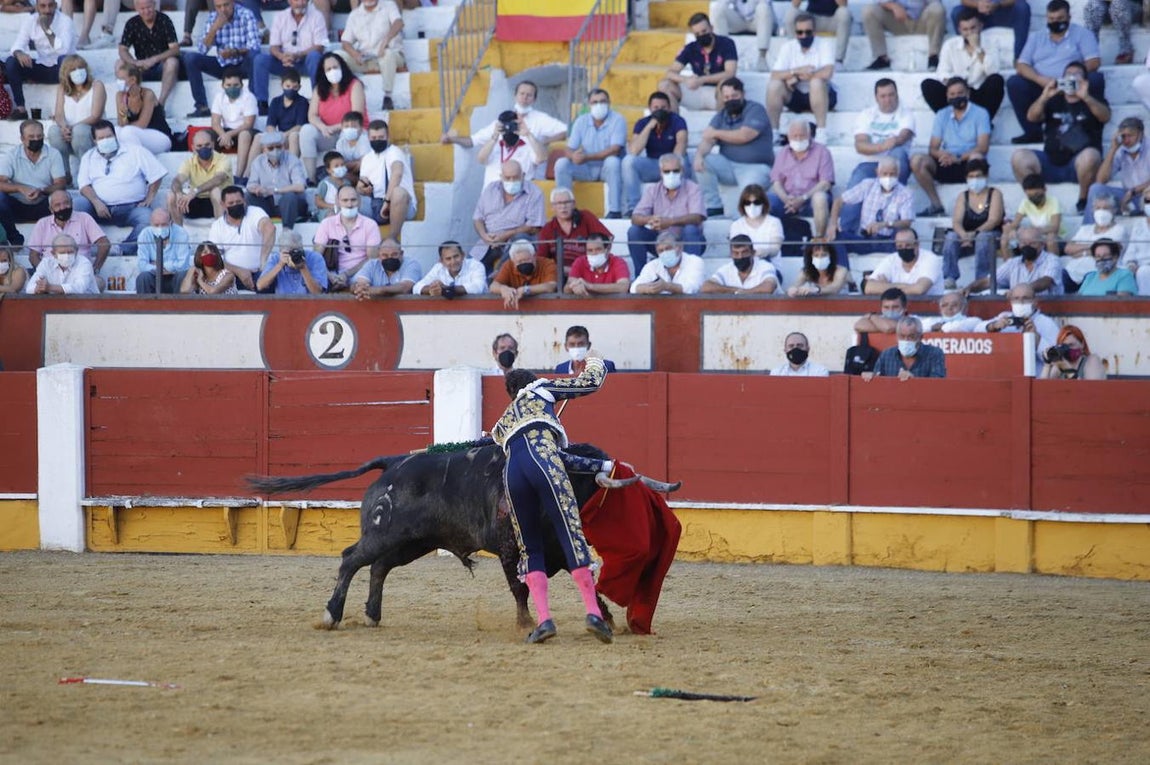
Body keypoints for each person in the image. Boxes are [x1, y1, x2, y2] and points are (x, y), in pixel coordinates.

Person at [491, 360, 617, 644]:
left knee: (530, 547)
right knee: (570, 536)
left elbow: (491, 445)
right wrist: (596, 360)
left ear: (511, 393)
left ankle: (545, 620)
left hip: (512, 476)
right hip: (544, 461)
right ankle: (594, 613)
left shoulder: (505, 420)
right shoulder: (542, 389)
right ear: (533, 380)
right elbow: (591, 382)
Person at [1010, 61, 1108, 215]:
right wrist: (1044, 96)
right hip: (1050, 161)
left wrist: (1086, 96)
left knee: (1091, 155)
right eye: (1068, 75)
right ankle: (1037, 199)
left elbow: (1105, 116)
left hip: (1079, 165)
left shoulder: (1093, 99)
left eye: (1076, 75)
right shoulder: (1053, 100)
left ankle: (1083, 200)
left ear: (1085, 80)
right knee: (1019, 157)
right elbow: (1032, 117)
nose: (1071, 78)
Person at [1007, 0, 1103, 145]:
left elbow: (1094, 62)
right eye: (1051, 19)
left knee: (1096, 79)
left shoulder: (1082, 34)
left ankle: (1090, 127)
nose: (1055, 22)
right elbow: (1022, 65)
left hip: (1073, 85)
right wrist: (1040, 79)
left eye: (1060, 19)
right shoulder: (1036, 37)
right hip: (1043, 85)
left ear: (1069, 17)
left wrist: (1072, 78)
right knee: (1015, 83)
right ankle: (1033, 132)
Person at [77, 120, 166, 256]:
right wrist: (96, 202)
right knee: (77, 205)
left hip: (132, 208)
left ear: (115, 135)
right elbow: (83, 185)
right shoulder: (88, 157)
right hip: (100, 208)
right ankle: (81, 250)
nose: (106, 140)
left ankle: (123, 249)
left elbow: (157, 174)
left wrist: (150, 196)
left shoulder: (135, 151)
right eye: (101, 138)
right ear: (94, 140)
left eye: (109, 136)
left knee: (149, 219)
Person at [910, 77, 991, 217]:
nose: (956, 97)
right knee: (917, 161)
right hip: (946, 161)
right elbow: (933, 148)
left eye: (960, 93)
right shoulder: (942, 114)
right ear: (947, 96)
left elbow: (983, 147)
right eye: (952, 94)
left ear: (968, 93)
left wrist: (958, 158)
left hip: (967, 161)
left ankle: (976, 207)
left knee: (977, 158)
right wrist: (944, 155)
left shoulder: (981, 113)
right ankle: (936, 205)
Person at [694, 77, 773, 219]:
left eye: (734, 96)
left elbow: (745, 135)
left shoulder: (755, 109)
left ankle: (742, 228)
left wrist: (716, 133)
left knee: (748, 200)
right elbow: (707, 139)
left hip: (756, 167)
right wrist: (699, 155)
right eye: (727, 97)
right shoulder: (721, 115)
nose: (731, 100)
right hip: (729, 166)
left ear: (743, 94)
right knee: (702, 161)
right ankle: (714, 207)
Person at [441, 81, 567, 160]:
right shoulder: (502, 121)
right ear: (515, 96)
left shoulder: (541, 119)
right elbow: (472, 141)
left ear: (534, 99)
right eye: (522, 93)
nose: (525, 98)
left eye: (529, 95)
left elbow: (566, 131)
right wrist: (451, 139)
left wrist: (543, 141)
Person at [627, 153, 705, 276]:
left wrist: (669, 221)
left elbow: (697, 217)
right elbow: (635, 217)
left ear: (682, 171)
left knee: (691, 229)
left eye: (675, 171)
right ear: (660, 172)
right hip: (661, 241)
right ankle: (641, 276)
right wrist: (650, 219)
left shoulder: (693, 188)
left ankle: (691, 275)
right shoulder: (653, 190)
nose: (671, 175)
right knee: (634, 231)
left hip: (685, 241)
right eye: (667, 171)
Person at [826, 156, 913, 266]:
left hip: (889, 241)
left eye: (892, 174)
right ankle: (844, 274)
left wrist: (885, 224)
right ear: (877, 172)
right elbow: (838, 201)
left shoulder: (905, 193)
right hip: (865, 239)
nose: (888, 177)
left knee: (906, 240)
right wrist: (833, 224)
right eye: (885, 174)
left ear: (898, 173)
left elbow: (907, 222)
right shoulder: (868, 185)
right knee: (836, 238)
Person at [554, 89, 626, 219]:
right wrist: (573, 156)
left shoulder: (618, 119)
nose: (599, 105)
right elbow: (568, 149)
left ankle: (615, 211)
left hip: (606, 168)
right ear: (589, 104)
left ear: (609, 103)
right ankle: (563, 207)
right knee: (562, 163)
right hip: (585, 168)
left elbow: (615, 149)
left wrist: (586, 157)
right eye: (595, 102)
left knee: (613, 161)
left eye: (603, 101)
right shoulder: (581, 120)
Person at [182, 0, 261, 119]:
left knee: (255, 57)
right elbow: (202, 49)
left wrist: (234, 52)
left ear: (233, 3)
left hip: (242, 64)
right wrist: (214, 29)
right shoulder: (213, 17)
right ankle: (201, 106)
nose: (223, 10)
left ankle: (254, 103)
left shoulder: (246, 14)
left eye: (226, 5)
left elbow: (255, 46)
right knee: (190, 58)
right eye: (219, 6)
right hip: (223, 64)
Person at [922, 9, 1004, 118]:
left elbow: (993, 71)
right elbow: (942, 73)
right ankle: (951, 122)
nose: (969, 33)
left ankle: (984, 122)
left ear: (980, 26)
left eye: (973, 28)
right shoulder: (950, 45)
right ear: (960, 30)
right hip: (957, 93)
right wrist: (960, 87)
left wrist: (977, 48)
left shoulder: (990, 44)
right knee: (928, 85)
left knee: (996, 81)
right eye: (965, 29)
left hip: (978, 93)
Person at [5, 0, 76, 122]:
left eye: (50, 6)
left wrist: (47, 29)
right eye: (43, 6)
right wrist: (19, 53)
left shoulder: (65, 21)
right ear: (37, 7)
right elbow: (17, 46)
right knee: (11, 61)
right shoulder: (30, 21)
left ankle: (66, 110)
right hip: (42, 65)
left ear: (56, 5)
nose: (47, 10)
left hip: (62, 69)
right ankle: (21, 108)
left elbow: (64, 50)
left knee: (64, 60)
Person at [300, 53, 367, 183]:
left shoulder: (354, 84)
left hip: (352, 131)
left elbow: (357, 114)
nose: (333, 71)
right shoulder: (319, 89)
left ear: (342, 67)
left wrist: (336, 127)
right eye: (328, 69)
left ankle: (349, 177)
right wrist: (322, 127)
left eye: (335, 67)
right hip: (328, 134)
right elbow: (312, 115)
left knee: (348, 132)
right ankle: (312, 179)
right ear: (323, 72)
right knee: (306, 131)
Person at [0, 119, 67, 247]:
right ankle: (14, 239)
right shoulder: (11, 155)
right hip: (17, 205)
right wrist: (20, 188)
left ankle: (60, 241)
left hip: (44, 203)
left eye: (39, 136)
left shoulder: (53, 154)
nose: (36, 139)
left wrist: (42, 190)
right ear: (22, 138)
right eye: (31, 137)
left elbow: (61, 183)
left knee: (62, 197)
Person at [253, 0, 326, 115]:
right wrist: (281, 56)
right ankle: (262, 104)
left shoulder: (317, 16)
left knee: (315, 56)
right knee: (260, 60)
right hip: (284, 62)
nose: (300, 3)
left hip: (305, 62)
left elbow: (319, 46)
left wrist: (298, 55)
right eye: (296, 0)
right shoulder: (280, 17)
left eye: (303, 0)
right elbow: (273, 47)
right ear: (289, 1)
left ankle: (318, 101)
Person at [766, 13, 836, 131]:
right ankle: (774, 132)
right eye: (800, 32)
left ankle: (821, 131)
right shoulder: (788, 47)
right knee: (774, 86)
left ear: (814, 31)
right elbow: (775, 75)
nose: (804, 35)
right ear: (795, 33)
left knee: (816, 82)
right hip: (796, 94)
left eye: (808, 32)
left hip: (823, 95)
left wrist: (799, 77)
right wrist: (796, 72)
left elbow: (828, 72)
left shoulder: (824, 44)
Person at [470, 160, 545, 271]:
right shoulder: (491, 189)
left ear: (523, 175)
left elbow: (533, 226)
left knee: (520, 241)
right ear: (501, 176)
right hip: (489, 240)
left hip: (515, 240)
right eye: (508, 178)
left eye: (515, 177)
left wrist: (504, 236)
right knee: (468, 268)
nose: (511, 181)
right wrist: (484, 236)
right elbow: (478, 218)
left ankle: (498, 276)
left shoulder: (534, 192)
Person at [940, 158, 1003, 290]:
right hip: (966, 236)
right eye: (971, 176)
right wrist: (964, 235)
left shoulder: (995, 193)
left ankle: (981, 280)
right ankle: (949, 277)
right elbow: (956, 221)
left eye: (978, 176)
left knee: (983, 237)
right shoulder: (963, 196)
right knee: (951, 237)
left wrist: (973, 234)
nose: (974, 179)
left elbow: (994, 220)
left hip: (990, 234)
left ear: (986, 176)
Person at [622, 91, 689, 216]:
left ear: (669, 108)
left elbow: (681, 143)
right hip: (652, 165)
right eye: (656, 108)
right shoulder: (643, 123)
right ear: (650, 109)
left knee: (683, 159)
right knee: (628, 161)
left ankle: (683, 205)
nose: (660, 110)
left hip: (672, 165)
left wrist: (670, 165)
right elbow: (634, 150)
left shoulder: (678, 121)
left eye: (663, 107)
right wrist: (650, 126)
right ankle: (634, 208)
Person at [657, 12, 738, 111]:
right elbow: (670, 72)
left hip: (717, 93)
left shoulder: (726, 43)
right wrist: (685, 80)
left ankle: (721, 123)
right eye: (697, 34)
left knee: (726, 84)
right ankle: (675, 123)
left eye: (704, 31)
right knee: (665, 85)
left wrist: (702, 79)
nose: (701, 35)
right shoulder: (691, 48)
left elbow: (730, 73)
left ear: (711, 28)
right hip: (695, 90)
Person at [767, 120, 833, 238]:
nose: (798, 139)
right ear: (788, 137)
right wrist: (786, 199)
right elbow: (776, 181)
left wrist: (803, 198)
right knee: (765, 200)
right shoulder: (783, 153)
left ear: (809, 135)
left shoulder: (822, 152)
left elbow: (825, 183)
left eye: (801, 135)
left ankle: (819, 239)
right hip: (788, 200)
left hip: (810, 200)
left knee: (820, 198)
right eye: (794, 136)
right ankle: (769, 240)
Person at [978, 283, 1060, 373]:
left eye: (1025, 298)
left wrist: (1036, 339)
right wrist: (993, 326)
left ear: (1035, 301)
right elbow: (976, 329)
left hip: (1035, 380)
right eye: (1016, 299)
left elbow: (1057, 360)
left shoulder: (1046, 323)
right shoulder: (1005, 317)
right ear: (1011, 302)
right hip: (1006, 377)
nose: (1021, 302)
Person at [355, 119, 416, 241]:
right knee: (347, 196)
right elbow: (360, 184)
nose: (377, 140)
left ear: (387, 136)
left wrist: (387, 202)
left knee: (398, 193)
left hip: (398, 205)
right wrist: (362, 188)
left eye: (381, 137)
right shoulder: (367, 158)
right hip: (374, 203)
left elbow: (397, 173)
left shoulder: (394, 152)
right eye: (374, 137)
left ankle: (392, 238)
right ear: (369, 138)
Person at [337, 0, 403, 112]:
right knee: (337, 56)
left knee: (388, 54)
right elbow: (345, 42)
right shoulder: (355, 14)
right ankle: (342, 93)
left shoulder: (388, 5)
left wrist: (386, 41)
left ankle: (388, 96)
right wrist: (355, 54)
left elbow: (399, 23)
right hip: (366, 59)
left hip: (389, 55)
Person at [207, 184, 276, 289]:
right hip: (231, 275)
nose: (235, 205)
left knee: (269, 279)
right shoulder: (217, 226)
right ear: (223, 205)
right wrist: (239, 271)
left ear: (244, 201)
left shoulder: (255, 212)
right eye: (231, 203)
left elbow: (269, 229)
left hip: (259, 272)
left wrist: (263, 263)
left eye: (239, 202)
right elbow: (214, 259)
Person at [50, 55, 105, 183]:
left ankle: (87, 176)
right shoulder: (63, 88)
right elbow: (59, 114)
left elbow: (96, 115)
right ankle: (64, 176)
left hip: (89, 133)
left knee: (80, 131)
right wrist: (64, 127)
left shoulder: (97, 85)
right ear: (66, 73)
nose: (78, 71)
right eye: (73, 69)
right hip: (68, 135)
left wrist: (72, 128)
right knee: (54, 131)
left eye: (80, 68)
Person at [313, 184, 380, 290]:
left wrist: (346, 274)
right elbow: (316, 256)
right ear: (337, 202)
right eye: (345, 200)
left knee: (363, 282)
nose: (349, 204)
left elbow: (371, 258)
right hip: (331, 272)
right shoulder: (326, 223)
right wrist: (330, 276)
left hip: (360, 273)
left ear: (359, 201)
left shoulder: (370, 225)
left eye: (353, 200)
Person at [27, 189, 111, 271]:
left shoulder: (84, 218)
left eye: (66, 203)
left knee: (99, 283)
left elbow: (104, 244)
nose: (63, 207)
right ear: (51, 209)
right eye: (57, 205)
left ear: (72, 203)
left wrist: (94, 269)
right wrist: (45, 273)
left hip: (80, 272)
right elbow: (33, 256)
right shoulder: (42, 223)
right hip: (51, 273)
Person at [851, 78, 914, 187]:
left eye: (891, 95)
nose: (888, 100)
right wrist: (882, 146)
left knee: (898, 152)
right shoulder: (866, 114)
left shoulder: (906, 114)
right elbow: (860, 146)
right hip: (871, 163)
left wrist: (894, 141)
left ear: (897, 95)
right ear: (876, 98)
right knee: (855, 187)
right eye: (883, 96)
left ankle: (896, 197)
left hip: (894, 164)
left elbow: (903, 136)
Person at [118, 0, 181, 107]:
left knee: (172, 62)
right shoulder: (132, 23)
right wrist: (135, 62)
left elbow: (175, 49)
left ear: (154, 5)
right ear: (137, 8)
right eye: (142, 9)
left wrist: (155, 59)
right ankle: (129, 104)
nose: (146, 11)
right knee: (119, 64)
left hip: (161, 65)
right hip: (141, 67)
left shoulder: (164, 20)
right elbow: (122, 49)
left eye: (149, 7)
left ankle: (161, 104)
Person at [967, 225, 1064, 295]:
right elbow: (988, 281)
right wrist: (969, 288)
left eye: (1032, 243)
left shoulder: (1052, 260)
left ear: (1042, 245)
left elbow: (1046, 281)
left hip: (1049, 310)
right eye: (1023, 243)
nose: (1027, 246)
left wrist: (1021, 291)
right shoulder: (1013, 263)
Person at [1086, 117, 1150, 222]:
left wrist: (1133, 191)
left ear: (1141, 134)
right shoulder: (1120, 150)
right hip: (1128, 197)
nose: (1126, 140)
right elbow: (1101, 180)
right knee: (1096, 188)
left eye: (1130, 136)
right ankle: (1088, 232)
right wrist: (1112, 149)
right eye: (1123, 136)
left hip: (1146, 194)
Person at [168, 128, 232, 225]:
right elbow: (177, 180)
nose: (204, 148)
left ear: (213, 144)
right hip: (197, 201)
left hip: (221, 203)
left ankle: (221, 232)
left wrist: (195, 191)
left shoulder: (223, 159)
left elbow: (218, 179)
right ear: (193, 148)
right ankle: (179, 235)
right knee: (171, 195)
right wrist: (178, 192)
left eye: (207, 145)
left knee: (215, 191)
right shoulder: (189, 163)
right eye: (199, 146)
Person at [1063, 193, 1127, 288]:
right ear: (1093, 210)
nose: (1101, 211)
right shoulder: (1085, 229)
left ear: (1114, 210)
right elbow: (1068, 249)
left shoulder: (1119, 229)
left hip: (1098, 274)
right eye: (1098, 208)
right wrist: (1094, 246)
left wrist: (1081, 252)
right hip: (1072, 273)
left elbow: (1109, 250)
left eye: (1106, 208)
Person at [245, 131, 308, 229]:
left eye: (279, 147)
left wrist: (274, 190)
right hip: (267, 203)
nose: (275, 151)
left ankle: (287, 231)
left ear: (284, 146)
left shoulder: (292, 159)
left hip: (289, 204)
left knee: (289, 196)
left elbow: (300, 186)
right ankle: (253, 227)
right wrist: (257, 189)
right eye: (270, 148)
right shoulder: (258, 161)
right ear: (263, 149)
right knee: (248, 196)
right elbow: (250, 185)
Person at [861, 0, 945, 71]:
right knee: (869, 11)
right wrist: (893, 6)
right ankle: (882, 58)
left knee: (937, 8)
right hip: (898, 21)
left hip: (922, 20)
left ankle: (933, 57)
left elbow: (935, 2)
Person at [535, 187, 612, 266]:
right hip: (559, 274)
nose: (563, 206)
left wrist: (599, 260)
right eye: (559, 203)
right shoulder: (547, 229)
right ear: (552, 207)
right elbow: (541, 259)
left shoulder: (586, 217)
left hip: (587, 270)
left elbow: (608, 239)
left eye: (567, 202)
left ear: (574, 204)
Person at [112, 61, 173, 156]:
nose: (118, 82)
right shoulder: (120, 96)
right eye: (117, 78)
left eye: (122, 79)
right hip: (137, 136)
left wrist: (126, 125)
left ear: (132, 80)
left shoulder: (148, 94)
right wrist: (123, 114)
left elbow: (142, 124)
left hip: (159, 136)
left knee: (127, 132)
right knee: (116, 130)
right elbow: (121, 124)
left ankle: (138, 162)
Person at [474, 110, 547, 187]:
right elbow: (481, 159)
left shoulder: (529, 146)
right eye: (505, 126)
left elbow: (542, 158)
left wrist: (528, 134)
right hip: (493, 195)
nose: (509, 129)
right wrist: (494, 137)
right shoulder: (493, 146)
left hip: (520, 195)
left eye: (512, 125)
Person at [209, 68, 258, 180]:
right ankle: (208, 174)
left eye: (236, 85)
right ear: (222, 86)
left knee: (244, 134)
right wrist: (223, 135)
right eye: (228, 85)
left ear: (242, 85)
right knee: (206, 136)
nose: (232, 88)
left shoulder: (249, 97)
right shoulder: (219, 97)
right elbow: (215, 123)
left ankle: (239, 175)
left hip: (246, 132)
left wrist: (229, 134)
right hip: (226, 132)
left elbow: (248, 124)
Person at [864, 228, 944, 296]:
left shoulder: (931, 259)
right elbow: (868, 288)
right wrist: (908, 287)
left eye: (908, 245)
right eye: (900, 246)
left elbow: (919, 290)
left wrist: (886, 286)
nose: (904, 249)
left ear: (917, 245)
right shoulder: (891, 260)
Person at [863, 316, 947, 380]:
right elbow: (878, 381)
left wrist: (914, 380)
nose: (906, 340)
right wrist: (871, 377)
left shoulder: (934, 354)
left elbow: (938, 385)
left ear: (920, 337)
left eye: (911, 337)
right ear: (896, 337)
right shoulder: (886, 355)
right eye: (902, 336)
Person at [1000, 173, 1061, 260]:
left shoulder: (1053, 201)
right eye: (1030, 196)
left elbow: (1055, 227)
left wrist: (1034, 231)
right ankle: (1008, 266)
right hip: (1035, 236)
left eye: (1037, 194)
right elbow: (1015, 223)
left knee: (1050, 237)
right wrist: (1011, 229)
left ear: (1044, 189)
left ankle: (1054, 265)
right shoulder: (1025, 203)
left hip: (1056, 238)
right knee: (1005, 237)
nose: (1034, 198)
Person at [490, 235, 558, 310]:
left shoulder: (547, 264)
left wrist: (526, 290)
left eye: (527, 259)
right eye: (520, 261)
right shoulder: (508, 265)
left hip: (545, 308)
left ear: (534, 256)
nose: (524, 263)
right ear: (513, 261)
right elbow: (493, 286)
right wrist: (503, 289)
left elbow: (551, 286)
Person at [134, 207, 191, 293]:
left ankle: (179, 306)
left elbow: (183, 265)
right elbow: (142, 265)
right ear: (150, 224)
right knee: (143, 278)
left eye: (164, 224)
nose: (160, 228)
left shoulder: (181, 234)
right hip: (154, 277)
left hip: (174, 277)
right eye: (156, 225)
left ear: (171, 223)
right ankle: (144, 306)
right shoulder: (144, 235)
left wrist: (158, 264)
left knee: (183, 275)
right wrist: (166, 267)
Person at [949, 0, 1030, 60]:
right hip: (978, 12)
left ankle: (1019, 58)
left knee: (1022, 7)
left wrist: (998, 4)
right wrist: (978, 5)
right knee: (957, 12)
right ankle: (966, 52)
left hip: (1003, 10)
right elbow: (964, 1)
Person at [630, 231, 705, 295]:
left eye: (668, 248)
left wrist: (666, 286)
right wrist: (647, 288)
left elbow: (692, 288)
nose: (664, 253)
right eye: (661, 251)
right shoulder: (653, 265)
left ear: (680, 247)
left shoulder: (695, 261)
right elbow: (633, 288)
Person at [709, 0, 775, 71]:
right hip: (739, 21)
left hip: (756, 21)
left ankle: (762, 57)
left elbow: (765, 3)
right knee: (718, 9)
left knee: (763, 8)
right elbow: (723, 3)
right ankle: (723, 56)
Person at [701, 234, 778, 295]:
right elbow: (706, 287)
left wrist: (744, 293)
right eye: (736, 253)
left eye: (744, 252)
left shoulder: (765, 266)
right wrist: (736, 291)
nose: (740, 257)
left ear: (753, 253)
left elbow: (768, 287)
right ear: (731, 254)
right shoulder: (726, 269)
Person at [257, 229, 328, 294]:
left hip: (309, 304)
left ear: (302, 248)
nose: (294, 255)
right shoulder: (276, 258)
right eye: (290, 252)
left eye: (297, 251)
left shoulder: (315, 258)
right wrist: (280, 265)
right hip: (283, 304)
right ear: (281, 251)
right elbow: (260, 285)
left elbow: (318, 292)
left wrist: (303, 268)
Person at [26, 233, 100, 294]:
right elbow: (29, 288)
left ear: (76, 251)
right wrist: (38, 288)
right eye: (62, 253)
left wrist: (49, 287)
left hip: (86, 306)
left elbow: (79, 288)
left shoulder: (84, 262)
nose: (67, 255)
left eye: (70, 252)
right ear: (53, 253)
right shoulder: (46, 263)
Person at [727, 183, 782, 265]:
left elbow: (776, 248)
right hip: (743, 266)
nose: (752, 206)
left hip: (770, 266)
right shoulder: (736, 225)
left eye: (757, 202)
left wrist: (764, 252)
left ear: (764, 203)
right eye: (747, 203)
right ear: (742, 204)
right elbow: (735, 250)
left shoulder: (774, 222)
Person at [783, 0, 851, 66]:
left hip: (833, 20)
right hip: (812, 20)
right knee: (791, 14)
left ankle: (838, 61)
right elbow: (794, 5)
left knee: (844, 13)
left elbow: (844, 5)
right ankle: (796, 57)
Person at [350, 236, 421, 299]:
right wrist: (360, 289)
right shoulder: (372, 264)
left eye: (394, 255)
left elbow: (405, 287)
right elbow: (357, 284)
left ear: (401, 254)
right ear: (379, 256)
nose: (389, 258)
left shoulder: (411, 264)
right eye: (385, 255)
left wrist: (379, 290)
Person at [412, 240, 487, 297]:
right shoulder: (438, 268)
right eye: (448, 259)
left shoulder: (476, 265)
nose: (453, 261)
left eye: (456, 256)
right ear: (441, 261)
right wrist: (432, 289)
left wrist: (445, 289)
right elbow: (416, 287)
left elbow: (477, 288)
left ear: (463, 255)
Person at [563, 232, 631, 296]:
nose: (594, 253)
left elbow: (623, 287)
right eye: (590, 250)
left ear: (607, 249)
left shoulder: (618, 262)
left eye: (598, 249)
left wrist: (589, 286)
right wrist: (574, 286)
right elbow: (567, 288)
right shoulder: (580, 262)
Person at [264, 67, 309, 159]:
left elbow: (299, 126)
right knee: (258, 138)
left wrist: (283, 136)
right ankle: (247, 173)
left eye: (294, 87)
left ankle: (292, 169)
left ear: (299, 87)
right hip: (280, 136)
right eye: (288, 86)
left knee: (293, 136)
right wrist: (275, 137)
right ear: (282, 85)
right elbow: (270, 125)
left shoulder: (302, 102)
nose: (291, 89)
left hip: (295, 136)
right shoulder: (276, 101)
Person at [1040, 324, 1107, 379]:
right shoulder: (1059, 366)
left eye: (1071, 345)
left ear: (1082, 344)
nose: (1068, 349)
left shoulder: (1092, 360)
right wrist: (1047, 364)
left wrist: (1068, 370)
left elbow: (1090, 392)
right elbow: (1041, 390)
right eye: (1064, 346)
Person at [1083, 0, 1137, 65]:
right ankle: (1090, 52)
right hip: (1107, 9)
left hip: (1132, 7)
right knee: (1093, 6)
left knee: (1118, 4)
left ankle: (1126, 49)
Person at [314, 151, 347, 221]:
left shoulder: (347, 183)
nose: (340, 167)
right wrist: (333, 206)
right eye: (336, 166)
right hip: (328, 210)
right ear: (328, 170)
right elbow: (318, 202)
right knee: (332, 217)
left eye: (342, 165)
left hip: (344, 210)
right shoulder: (325, 184)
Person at [334, 111, 368, 175]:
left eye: (354, 126)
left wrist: (349, 169)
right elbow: (339, 163)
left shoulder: (365, 140)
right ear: (342, 128)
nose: (350, 129)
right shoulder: (341, 142)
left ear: (361, 128)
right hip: (348, 171)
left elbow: (363, 164)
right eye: (346, 126)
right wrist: (355, 163)